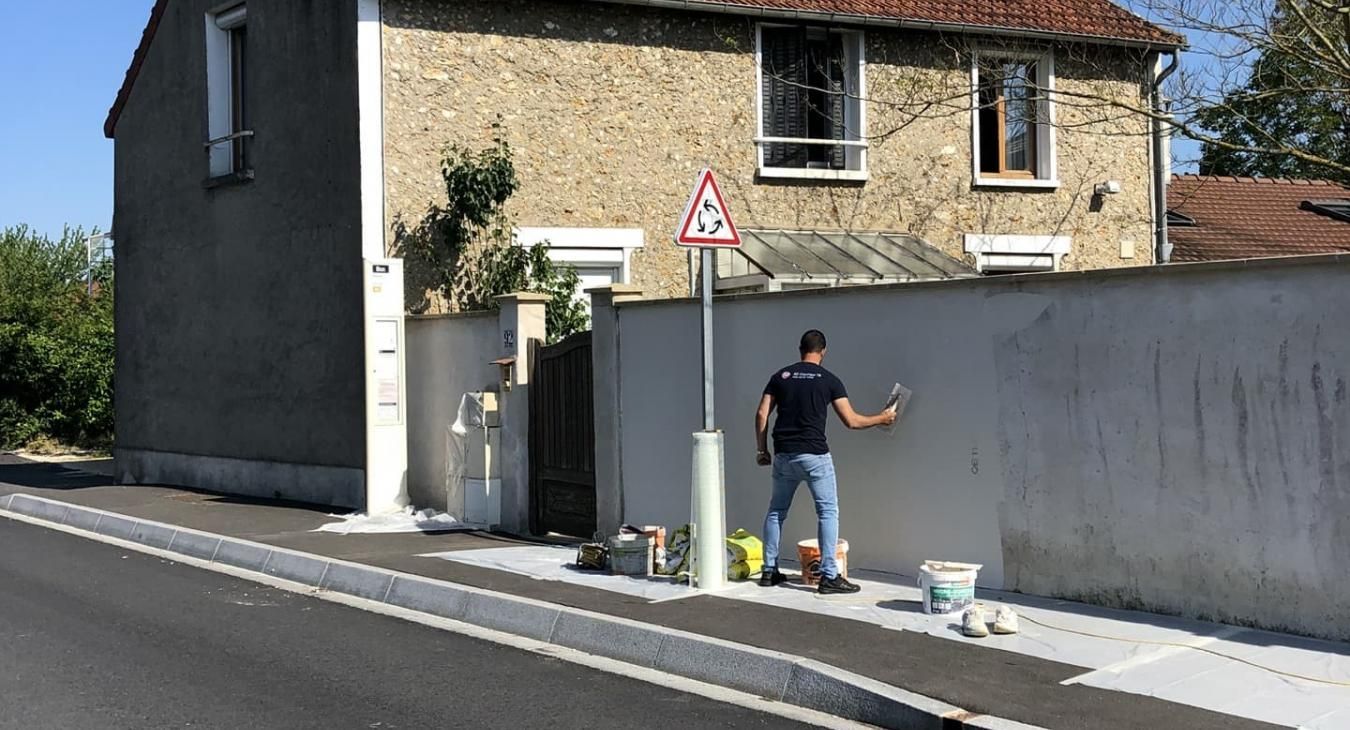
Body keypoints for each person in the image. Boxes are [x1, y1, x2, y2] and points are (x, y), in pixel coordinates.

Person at [754, 329, 896, 595]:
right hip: (815, 456)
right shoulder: (829, 380)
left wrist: (762, 450)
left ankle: (769, 570)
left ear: (800, 349)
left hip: (784, 455)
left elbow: (762, 413)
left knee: (776, 512)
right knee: (827, 512)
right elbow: (852, 421)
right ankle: (829, 576)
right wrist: (882, 418)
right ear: (824, 351)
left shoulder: (781, 376)